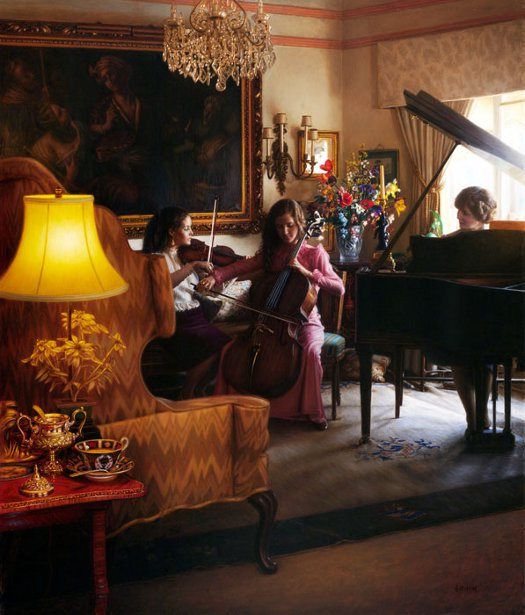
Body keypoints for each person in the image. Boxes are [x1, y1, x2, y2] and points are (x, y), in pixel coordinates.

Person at [198, 198, 345, 430]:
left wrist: (308, 273)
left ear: (299, 222)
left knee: (311, 352)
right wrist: (215, 277)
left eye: (289, 225)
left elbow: (339, 288)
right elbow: (240, 267)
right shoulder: (271, 252)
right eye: (279, 227)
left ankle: (312, 412)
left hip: (305, 321)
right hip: (271, 320)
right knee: (230, 350)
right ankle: (236, 403)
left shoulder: (315, 253)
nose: (285, 232)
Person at [142, 207, 230, 399]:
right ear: (172, 231)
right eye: (187, 228)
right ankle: (187, 390)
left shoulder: (183, 256)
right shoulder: (156, 259)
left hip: (196, 317)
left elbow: (192, 290)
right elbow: (165, 284)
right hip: (177, 322)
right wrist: (192, 266)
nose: (192, 233)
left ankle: (199, 388)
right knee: (219, 344)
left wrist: (207, 283)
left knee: (227, 346)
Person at [435, 186, 498, 436]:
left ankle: (481, 413)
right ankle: (472, 418)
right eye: (459, 212)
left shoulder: (498, 244)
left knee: (489, 361)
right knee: (459, 362)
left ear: (481, 216)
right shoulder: (449, 242)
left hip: (491, 313)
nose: (459, 216)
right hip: (458, 312)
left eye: (465, 213)